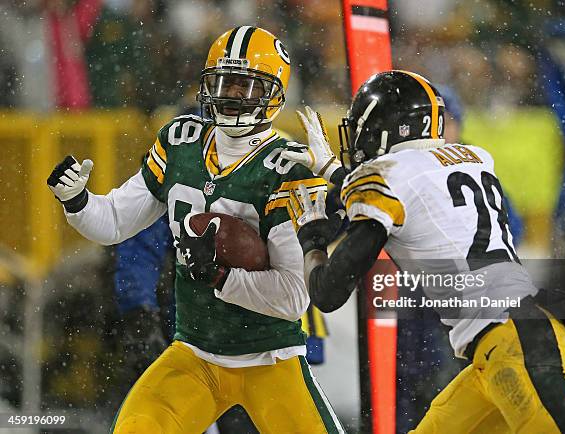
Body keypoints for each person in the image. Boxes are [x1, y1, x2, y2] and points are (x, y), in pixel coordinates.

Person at [47, 26, 344, 434]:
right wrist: (78, 201)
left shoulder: (288, 167)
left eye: (246, 86)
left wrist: (221, 277)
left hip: (269, 358)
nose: (232, 95)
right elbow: (114, 221)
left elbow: (293, 298)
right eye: (225, 82)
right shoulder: (180, 140)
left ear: (274, 93)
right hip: (195, 353)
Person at [283, 70, 565, 433]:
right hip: (506, 341)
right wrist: (336, 173)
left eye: (364, 128)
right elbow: (413, 185)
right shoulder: (473, 156)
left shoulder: (389, 178)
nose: (359, 138)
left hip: (515, 343)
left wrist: (310, 237)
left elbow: (327, 291)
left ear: (389, 128)